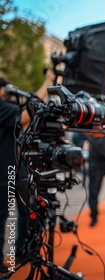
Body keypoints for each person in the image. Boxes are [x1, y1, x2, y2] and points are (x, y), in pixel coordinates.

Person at [0, 70, 55, 272]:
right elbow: (26, 116)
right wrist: (48, 82)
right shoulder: (2, 108)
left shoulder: (6, 108)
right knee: (3, 217)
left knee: (25, 210)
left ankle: (21, 250)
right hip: (4, 173)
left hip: (13, 169)